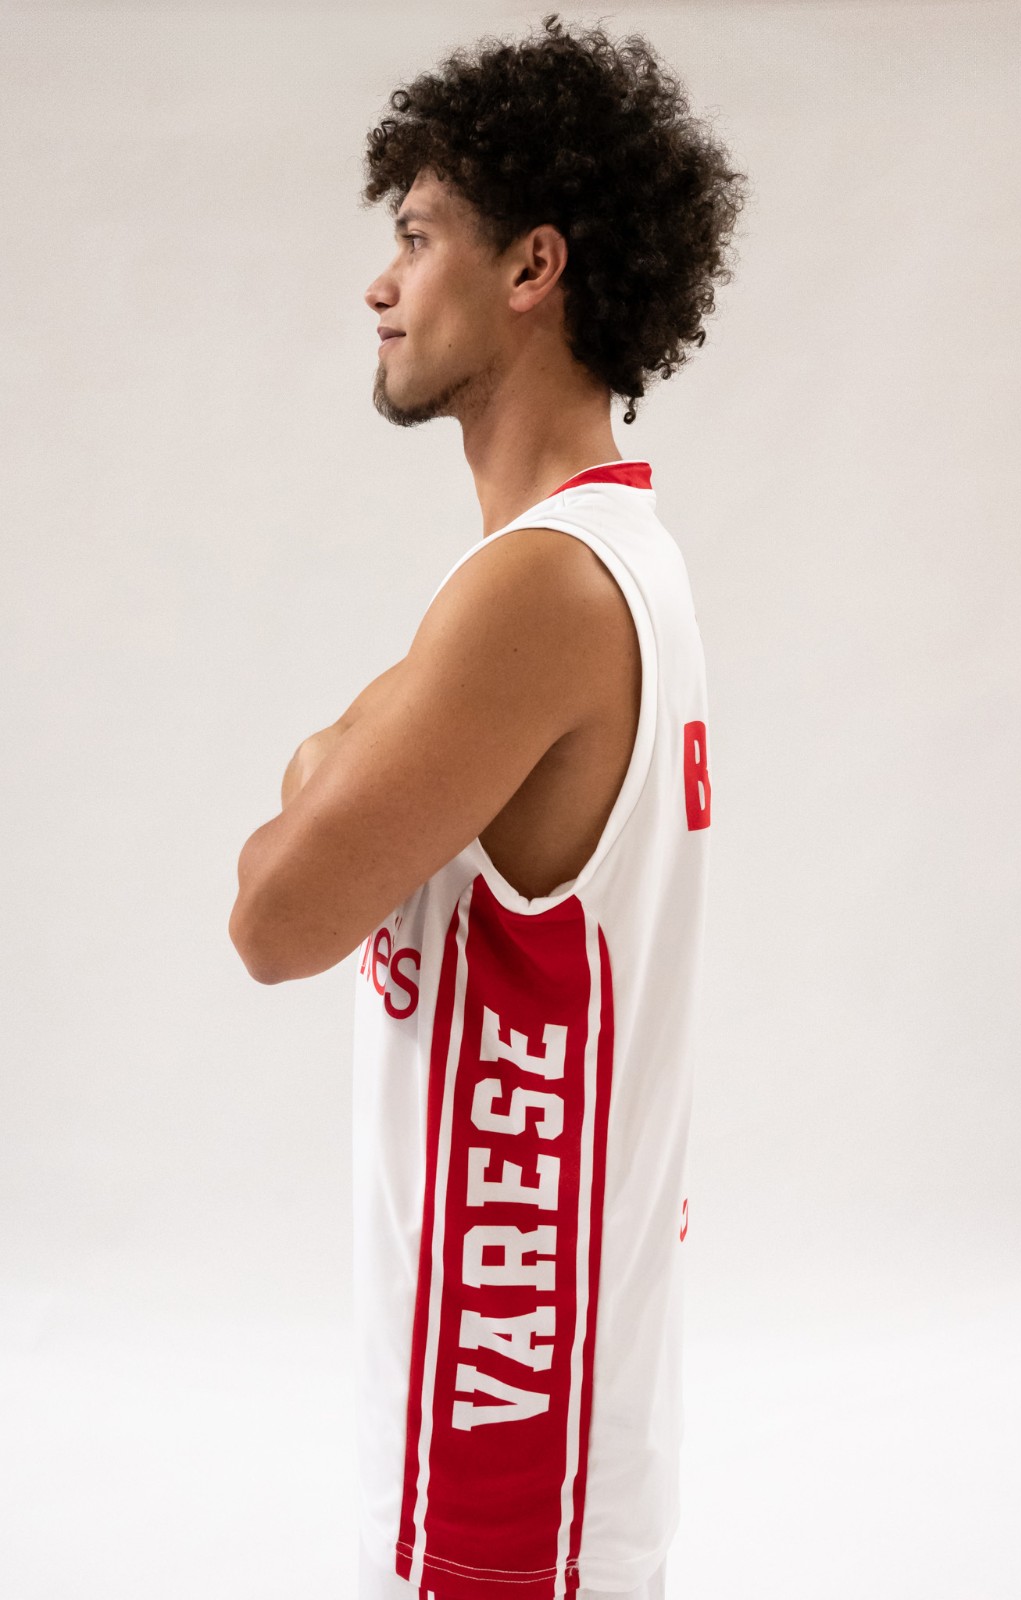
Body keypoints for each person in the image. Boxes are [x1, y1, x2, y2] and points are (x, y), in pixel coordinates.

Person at [229, 13, 748, 1598]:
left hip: (507, 1435)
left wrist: (331, 760)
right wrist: (361, 756)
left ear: (532, 266)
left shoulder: (539, 592)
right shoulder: (615, 560)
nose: (379, 286)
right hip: (532, 1402)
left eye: (416, 236)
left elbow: (275, 917)